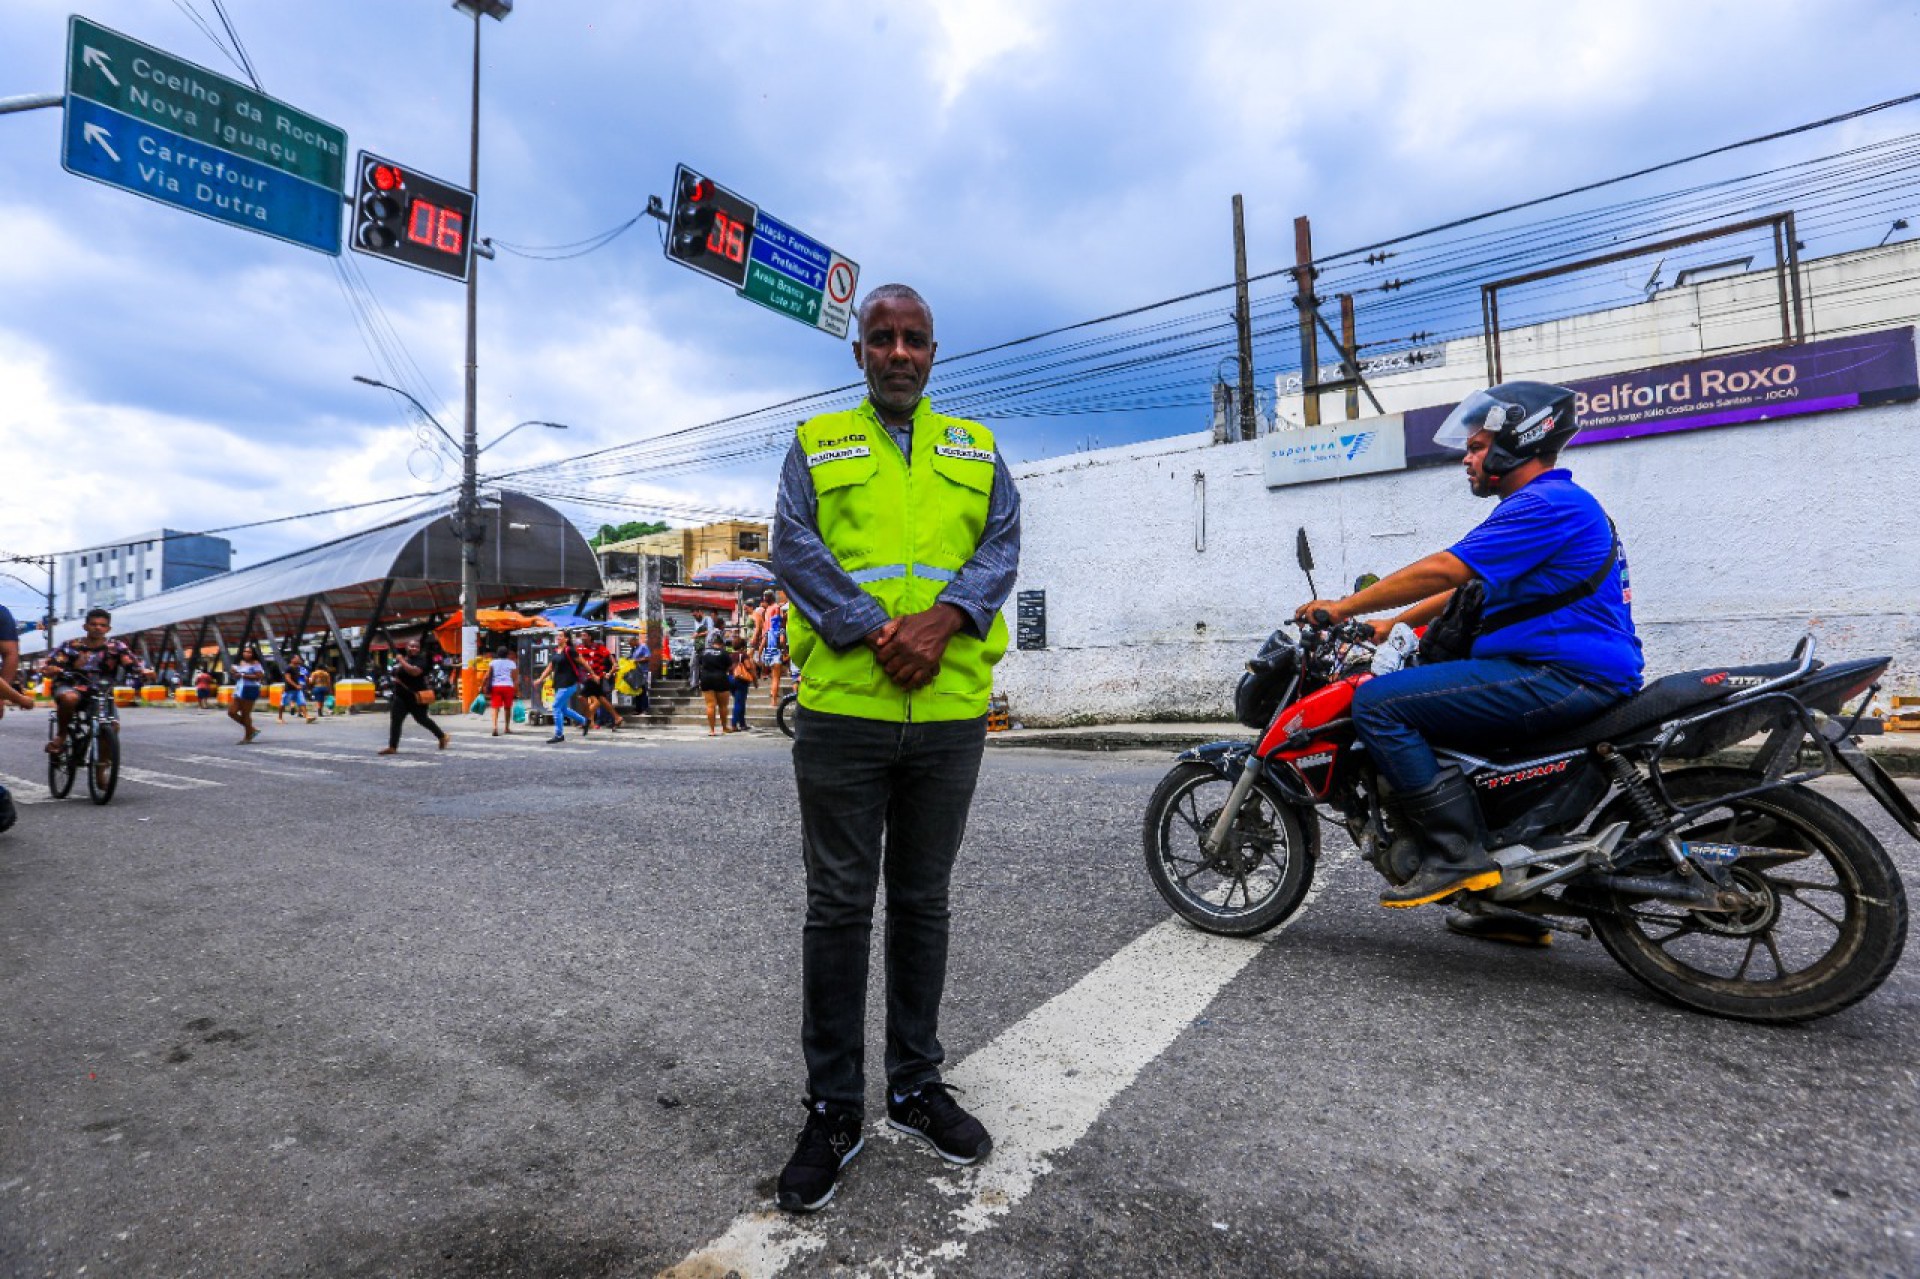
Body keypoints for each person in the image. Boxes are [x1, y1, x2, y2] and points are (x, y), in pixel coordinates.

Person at [768, 283, 1021, 1212]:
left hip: (949, 712)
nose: (900, 351)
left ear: (934, 350)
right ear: (860, 353)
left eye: (914, 338)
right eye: (883, 337)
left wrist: (944, 619)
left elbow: (1001, 548)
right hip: (844, 708)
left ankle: (915, 1086)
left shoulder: (978, 448)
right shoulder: (816, 444)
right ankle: (833, 1108)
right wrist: (881, 628)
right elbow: (794, 548)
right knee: (838, 907)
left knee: (923, 901)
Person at [1293, 380, 1641, 938]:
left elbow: (1448, 569)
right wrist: (1392, 624)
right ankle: (1506, 903)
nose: (1468, 458)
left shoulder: (1544, 505)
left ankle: (1457, 856)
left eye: (1478, 447)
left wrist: (1343, 607)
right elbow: (1469, 589)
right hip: (1567, 673)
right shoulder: (1553, 506)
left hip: (1560, 676)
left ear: (1517, 443)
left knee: (1379, 704)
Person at [44, 608, 154, 755]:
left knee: (113, 726)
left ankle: (102, 766)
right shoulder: (70, 646)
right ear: (85, 626)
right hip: (71, 687)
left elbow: (132, 664)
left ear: (108, 629)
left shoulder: (116, 647)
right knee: (70, 698)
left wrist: (144, 671)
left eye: (102, 625)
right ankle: (61, 735)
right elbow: (51, 664)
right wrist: (52, 669)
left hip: (101, 692)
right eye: (93, 624)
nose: (98, 628)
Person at [378, 639, 449, 754]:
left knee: (422, 719)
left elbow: (414, 672)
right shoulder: (404, 659)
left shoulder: (421, 660)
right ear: (407, 647)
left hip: (415, 696)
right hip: (400, 696)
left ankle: (442, 736)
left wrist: (401, 661)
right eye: (412, 646)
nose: (414, 648)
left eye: (416, 647)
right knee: (396, 720)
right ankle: (392, 747)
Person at [538, 633, 590, 743]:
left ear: (566, 639)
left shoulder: (570, 650)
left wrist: (593, 674)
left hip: (569, 683)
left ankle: (559, 734)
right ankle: (584, 721)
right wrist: (540, 679)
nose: (558, 638)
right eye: (557, 636)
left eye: (561, 636)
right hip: (558, 684)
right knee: (563, 709)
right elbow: (550, 667)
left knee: (556, 706)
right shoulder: (556, 651)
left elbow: (583, 662)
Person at [227, 643, 268, 744]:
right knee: (232, 712)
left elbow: (259, 676)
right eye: (245, 651)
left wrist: (243, 675)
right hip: (239, 688)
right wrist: (234, 674)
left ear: (253, 654)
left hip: (250, 688)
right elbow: (236, 676)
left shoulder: (255, 663)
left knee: (245, 714)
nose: (247, 654)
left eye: (249, 652)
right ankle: (251, 729)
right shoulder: (240, 662)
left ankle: (247, 736)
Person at [697, 634, 733, 735]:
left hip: (706, 678)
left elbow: (700, 663)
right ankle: (724, 728)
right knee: (723, 706)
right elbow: (729, 666)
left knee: (710, 705)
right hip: (720, 677)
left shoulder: (704, 652)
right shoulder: (724, 653)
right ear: (721, 644)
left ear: (712, 644)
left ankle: (712, 730)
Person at [485, 643, 520, 736]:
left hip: (496, 687)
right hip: (508, 687)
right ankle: (506, 727)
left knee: (495, 708)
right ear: (507, 654)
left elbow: (487, 675)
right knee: (507, 708)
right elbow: (515, 678)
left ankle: (495, 727)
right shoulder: (512, 663)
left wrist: (482, 686)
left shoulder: (493, 663)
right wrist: (517, 690)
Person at [728, 635, 756, 732]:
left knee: (739, 702)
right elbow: (748, 667)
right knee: (739, 703)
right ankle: (734, 724)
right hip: (740, 680)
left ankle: (742, 723)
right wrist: (754, 680)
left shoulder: (729, 655)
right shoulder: (743, 655)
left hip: (730, 679)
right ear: (743, 646)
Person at [277, 652, 311, 725]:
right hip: (289, 689)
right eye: (297, 658)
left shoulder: (298, 668)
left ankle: (307, 717)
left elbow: (298, 677)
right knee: (283, 704)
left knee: (302, 702)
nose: (298, 659)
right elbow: (288, 679)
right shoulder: (288, 668)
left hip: (297, 689)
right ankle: (280, 718)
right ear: (292, 660)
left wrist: (300, 684)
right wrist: (296, 685)